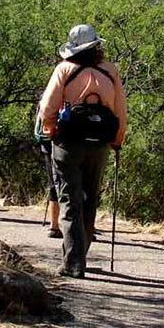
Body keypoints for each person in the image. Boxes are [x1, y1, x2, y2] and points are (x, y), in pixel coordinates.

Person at [39, 24, 127, 278]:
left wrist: (50, 130)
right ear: (96, 46)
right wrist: (117, 139)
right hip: (99, 145)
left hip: (68, 144)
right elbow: (120, 110)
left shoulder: (64, 70)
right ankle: (79, 254)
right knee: (90, 199)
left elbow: (47, 108)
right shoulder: (110, 71)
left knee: (69, 198)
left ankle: (74, 262)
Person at [34, 112, 62, 238]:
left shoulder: (49, 93)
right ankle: (84, 227)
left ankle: (54, 226)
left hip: (49, 138)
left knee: (54, 183)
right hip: (78, 141)